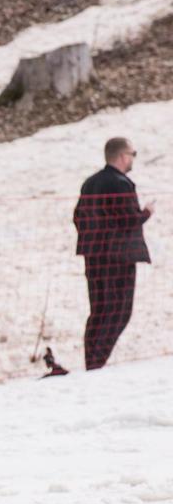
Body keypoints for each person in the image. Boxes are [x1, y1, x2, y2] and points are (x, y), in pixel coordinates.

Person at [74, 137, 154, 371]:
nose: (133, 159)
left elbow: (77, 217)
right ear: (122, 156)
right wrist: (146, 213)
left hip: (94, 256)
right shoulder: (121, 183)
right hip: (119, 257)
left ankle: (92, 361)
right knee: (119, 311)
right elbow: (128, 219)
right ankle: (97, 363)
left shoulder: (90, 183)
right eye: (132, 154)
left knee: (98, 311)